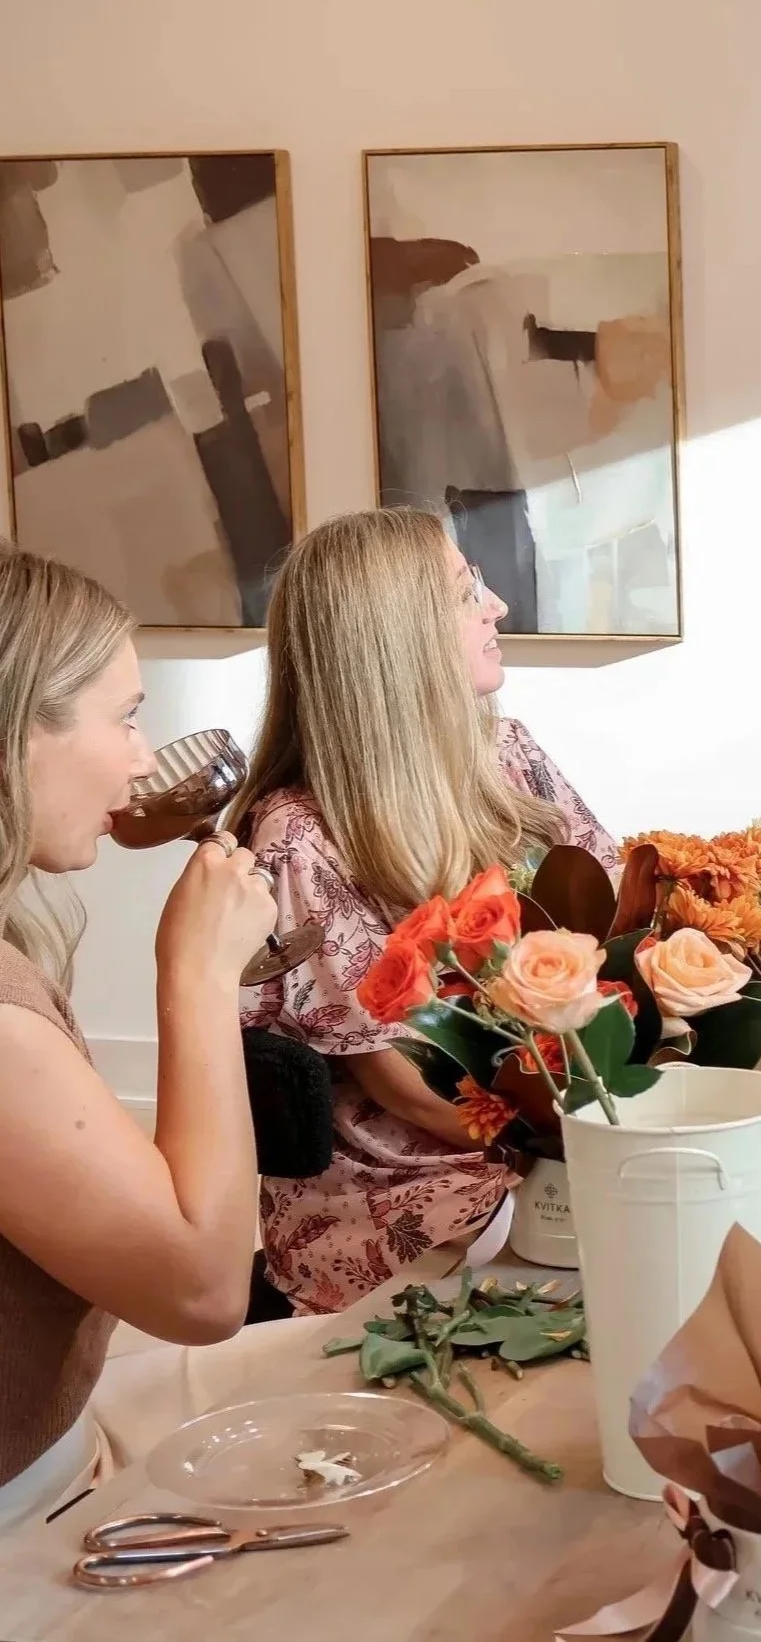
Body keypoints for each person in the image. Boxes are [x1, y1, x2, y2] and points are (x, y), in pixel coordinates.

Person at [230, 508, 618, 1316]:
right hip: (413, 1184)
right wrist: (566, 1146)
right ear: (395, 638)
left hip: (534, 1136)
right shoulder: (296, 839)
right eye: (463, 589)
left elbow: (611, 921)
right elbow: (400, 1088)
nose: (496, 606)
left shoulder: (508, 754)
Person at [0, 551, 277, 1533]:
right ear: (15, 728)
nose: (137, 754)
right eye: (122, 716)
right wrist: (197, 975)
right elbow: (202, 1288)